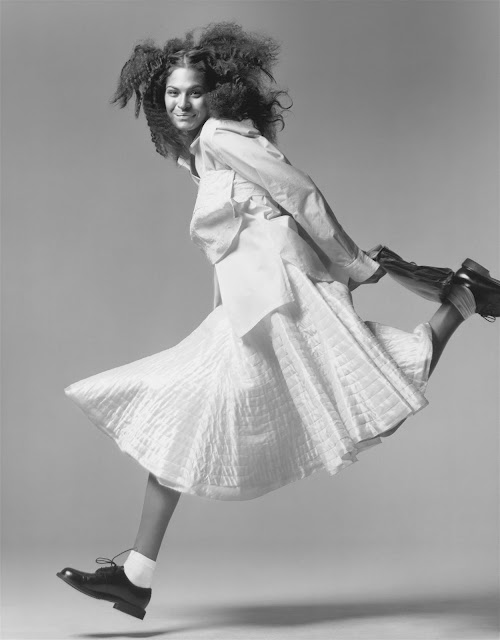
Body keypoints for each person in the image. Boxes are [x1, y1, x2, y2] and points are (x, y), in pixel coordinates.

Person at [56, 22, 500, 620]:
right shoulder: (201, 151)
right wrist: (223, 312)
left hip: (287, 296)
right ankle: (136, 575)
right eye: (171, 94)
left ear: (218, 93)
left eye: (193, 92)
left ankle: (464, 299)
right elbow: (233, 242)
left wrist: (353, 261)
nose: (182, 104)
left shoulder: (223, 136)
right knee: (188, 417)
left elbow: (301, 193)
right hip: (250, 310)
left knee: (374, 405)